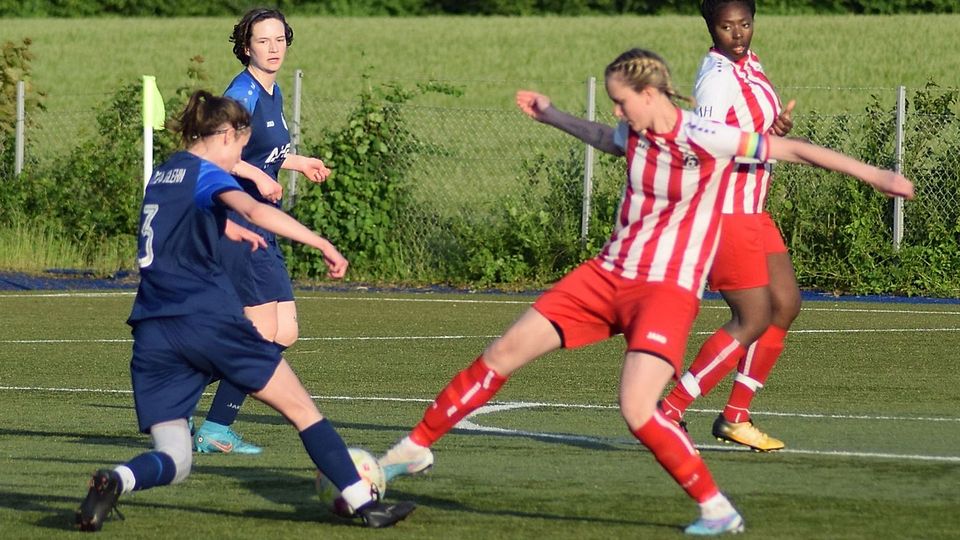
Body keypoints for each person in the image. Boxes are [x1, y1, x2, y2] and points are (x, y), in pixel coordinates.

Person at [378, 48, 913, 536]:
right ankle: (414, 448)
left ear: (651, 95)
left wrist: (875, 177)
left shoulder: (705, 136)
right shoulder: (632, 133)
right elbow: (601, 138)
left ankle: (716, 508)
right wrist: (552, 114)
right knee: (501, 353)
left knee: (637, 409)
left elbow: (791, 149)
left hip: (665, 290)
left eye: (621, 101)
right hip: (606, 275)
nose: (617, 112)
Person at [75, 91, 415, 531]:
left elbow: (181, 223)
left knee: (176, 459)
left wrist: (228, 228)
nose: (239, 158)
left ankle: (115, 479)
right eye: (239, 147)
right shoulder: (205, 173)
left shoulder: (164, 173)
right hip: (208, 322)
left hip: (154, 333)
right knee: (302, 410)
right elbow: (256, 207)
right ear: (225, 135)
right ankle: (364, 505)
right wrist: (320, 242)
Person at [658, 0, 800, 452]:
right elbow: (704, 144)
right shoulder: (718, 77)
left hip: (753, 209)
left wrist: (774, 129)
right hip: (725, 210)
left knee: (785, 304)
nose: (738, 33)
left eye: (745, 23)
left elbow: (750, 129)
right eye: (726, 26)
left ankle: (735, 416)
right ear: (711, 28)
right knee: (754, 316)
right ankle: (669, 410)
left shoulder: (749, 64)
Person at [192, 8, 333, 455]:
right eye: (263, 41)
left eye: (280, 40)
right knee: (259, 331)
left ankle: (192, 394)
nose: (274, 48)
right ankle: (207, 417)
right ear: (246, 46)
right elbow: (214, 152)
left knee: (283, 331)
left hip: (261, 223)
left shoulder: (270, 93)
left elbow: (266, 151)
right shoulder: (242, 91)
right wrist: (254, 177)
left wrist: (297, 162)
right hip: (239, 223)